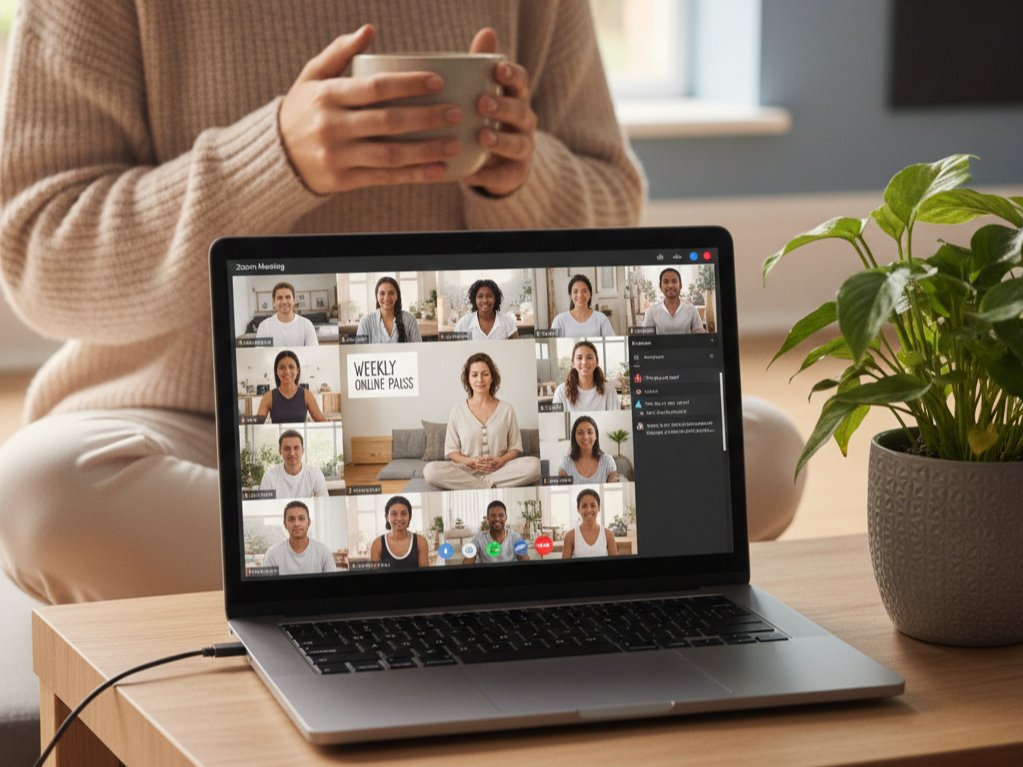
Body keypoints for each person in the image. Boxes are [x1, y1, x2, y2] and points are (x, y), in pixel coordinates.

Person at [0, 2, 647, 604]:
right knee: (40, 495)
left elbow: (614, 213)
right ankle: (436, 582)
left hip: (454, 480)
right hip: (184, 426)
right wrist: (274, 160)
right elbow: (38, 254)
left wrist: (520, 177)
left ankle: (364, 585)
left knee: (745, 452)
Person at [423, 353, 540, 489]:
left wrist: (500, 460)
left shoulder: (507, 409)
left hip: (500, 470)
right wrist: (470, 461)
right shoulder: (457, 411)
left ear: (492, 378)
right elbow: (451, 451)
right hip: (466, 471)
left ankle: (479, 485)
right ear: (468, 379)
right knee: (430, 471)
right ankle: (487, 486)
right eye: (474, 375)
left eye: (485, 374)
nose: (480, 379)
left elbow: (515, 447)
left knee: (535, 466)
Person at [260, 501, 338, 575]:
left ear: (309, 522)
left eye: (301, 518)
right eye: (291, 519)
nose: (296, 524)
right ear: (285, 524)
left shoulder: (324, 552)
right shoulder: (272, 554)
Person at [255, 350, 329, 423]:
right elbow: (256, 425)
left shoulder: (307, 395)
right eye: (282, 367)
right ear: (276, 371)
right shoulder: (268, 397)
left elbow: (322, 422)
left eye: (291, 367)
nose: (287, 371)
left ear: (297, 370)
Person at [551, 340, 620, 412]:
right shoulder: (561, 392)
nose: (584, 362)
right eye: (579, 358)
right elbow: (556, 421)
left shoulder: (609, 390)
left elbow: (615, 421)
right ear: (573, 363)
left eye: (589, 357)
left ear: (597, 362)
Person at [258, 429, 329, 498]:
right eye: (287, 448)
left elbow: (324, 505)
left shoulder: (315, 474)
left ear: (303, 451)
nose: (292, 453)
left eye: (296, 448)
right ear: (280, 451)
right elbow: (264, 507)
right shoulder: (269, 477)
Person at [369, 496, 429, 570]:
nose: (399, 518)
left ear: (410, 516)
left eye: (403, 513)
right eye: (394, 514)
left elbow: (425, 577)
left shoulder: (421, 542)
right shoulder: (377, 544)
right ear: (387, 517)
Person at [356, 276, 422, 343]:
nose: (387, 298)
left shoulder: (410, 320)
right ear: (376, 296)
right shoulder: (365, 322)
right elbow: (360, 351)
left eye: (391, 293)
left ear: (397, 296)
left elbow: (419, 350)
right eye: (382, 293)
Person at [557, 416, 620, 483]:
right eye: (580, 433)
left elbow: (614, 487)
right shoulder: (565, 463)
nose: (585, 437)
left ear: (596, 436)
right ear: (575, 436)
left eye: (590, 432)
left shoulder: (608, 461)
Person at [642, 268, 705, 334]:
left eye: (674, 281)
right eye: (666, 282)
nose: (670, 286)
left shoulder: (692, 310)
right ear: (660, 286)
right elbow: (646, 338)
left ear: (680, 285)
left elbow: (700, 336)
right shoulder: (651, 312)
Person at [256, 282, 319, 346]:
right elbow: (260, 354)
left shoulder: (306, 325)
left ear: (294, 300)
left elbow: (313, 352)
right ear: (273, 302)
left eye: (288, 297)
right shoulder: (264, 327)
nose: (284, 302)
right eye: (279, 298)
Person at [464, 500, 528, 564]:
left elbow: (525, 561)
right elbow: (468, 561)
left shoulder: (515, 538)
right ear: (488, 518)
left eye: (501, 515)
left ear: (506, 517)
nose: (497, 519)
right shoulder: (479, 538)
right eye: (493, 516)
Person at [550, 274, 614, 337]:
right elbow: (554, 345)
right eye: (575, 291)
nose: (580, 295)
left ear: (590, 294)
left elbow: (612, 343)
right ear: (570, 295)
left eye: (584, 291)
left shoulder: (601, 319)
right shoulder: (559, 320)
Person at [453, 279, 519, 340]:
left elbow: (517, 348)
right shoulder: (464, 323)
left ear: (495, 298)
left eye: (489, 296)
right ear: (474, 299)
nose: (485, 300)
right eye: (480, 296)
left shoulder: (507, 321)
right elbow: (456, 348)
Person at [561, 489, 618, 559]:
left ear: (599, 508)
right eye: (584, 506)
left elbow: (615, 565)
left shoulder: (608, 535)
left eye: (593, 505)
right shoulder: (570, 536)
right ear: (578, 509)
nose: (589, 510)